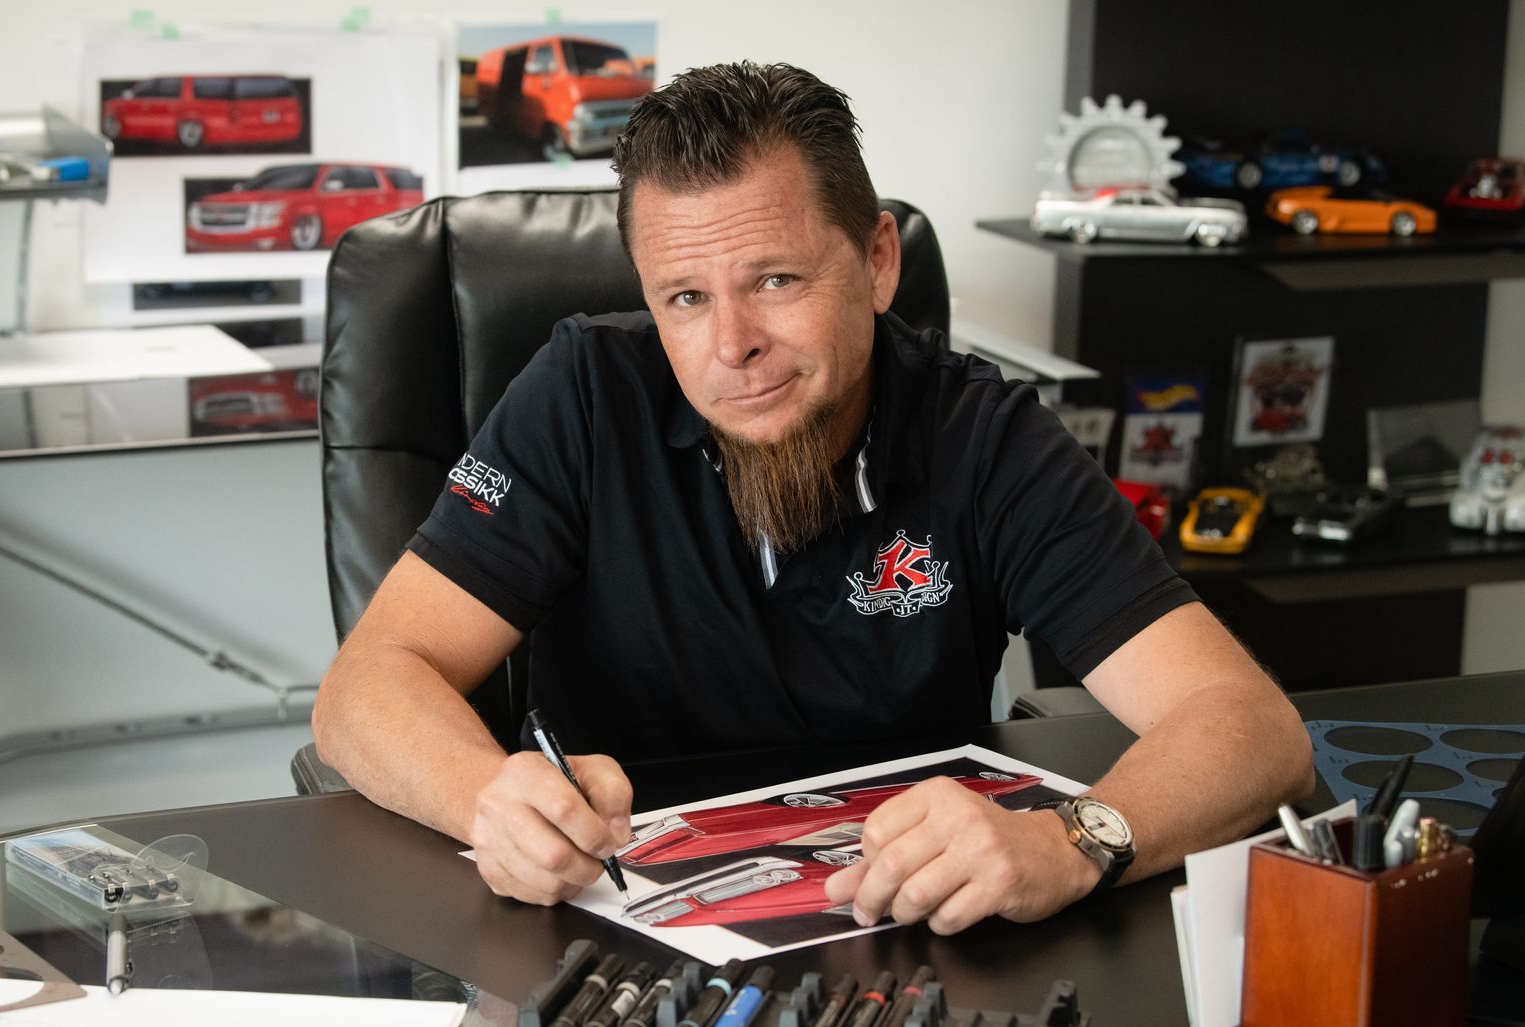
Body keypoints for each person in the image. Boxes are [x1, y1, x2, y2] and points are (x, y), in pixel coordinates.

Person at [312, 62, 1313, 934]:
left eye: (777, 279)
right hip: (617, 938)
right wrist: (488, 797)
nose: (730, 344)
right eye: (685, 297)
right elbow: (364, 689)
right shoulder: (581, 396)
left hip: (913, 935)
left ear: (878, 262)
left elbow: (1251, 726)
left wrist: (1073, 842)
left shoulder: (982, 435)